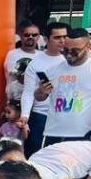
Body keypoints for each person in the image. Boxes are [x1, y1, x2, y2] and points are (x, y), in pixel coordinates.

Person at [41, 27, 91, 146]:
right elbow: (39, 97)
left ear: (87, 47)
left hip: (83, 134)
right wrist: (41, 90)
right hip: (53, 132)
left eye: (75, 51)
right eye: (65, 50)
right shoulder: (54, 69)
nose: (69, 55)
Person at [20, 21, 69, 152]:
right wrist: (25, 116)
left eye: (65, 37)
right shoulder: (35, 64)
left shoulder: (72, 61)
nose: (62, 41)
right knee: (37, 157)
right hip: (41, 117)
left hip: (67, 117)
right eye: (57, 37)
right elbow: (28, 92)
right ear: (46, 39)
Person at [4, 20, 40, 105]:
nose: (31, 37)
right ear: (20, 35)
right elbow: (19, 76)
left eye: (34, 35)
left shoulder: (42, 56)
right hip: (16, 102)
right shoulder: (13, 54)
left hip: (37, 104)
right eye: (27, 35)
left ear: (38, 37)